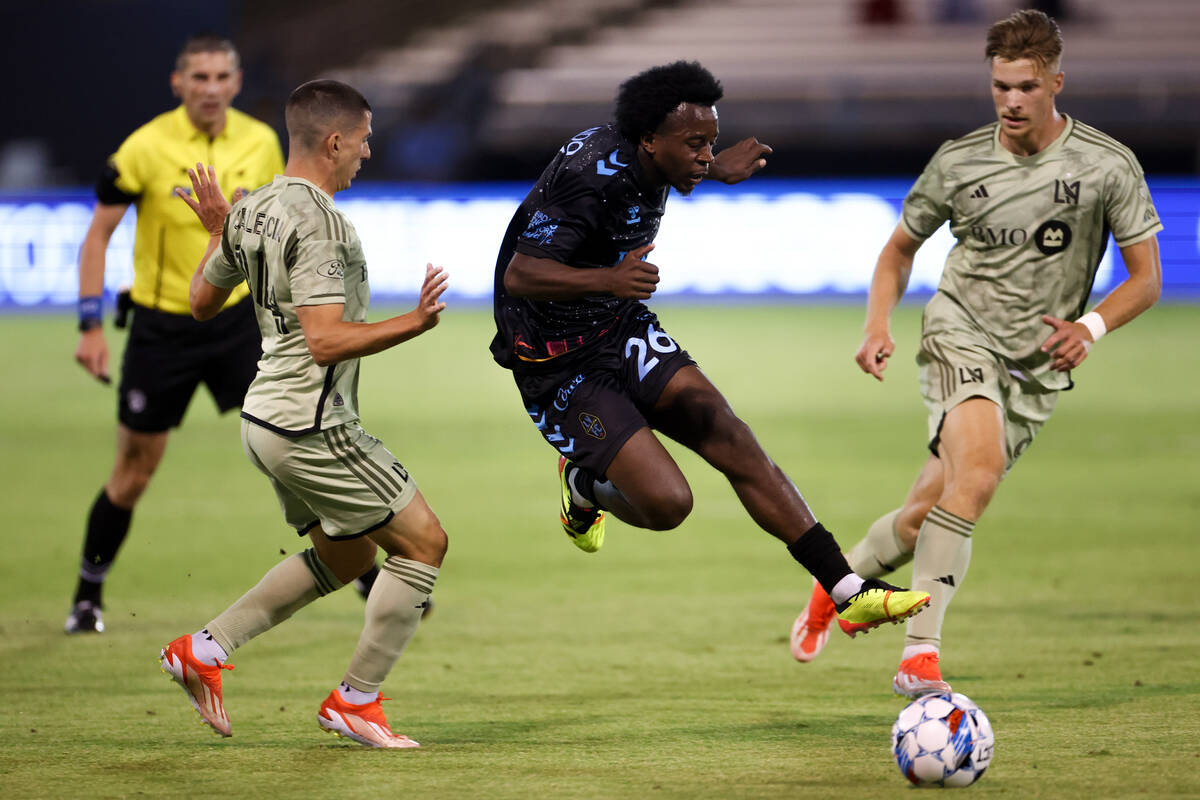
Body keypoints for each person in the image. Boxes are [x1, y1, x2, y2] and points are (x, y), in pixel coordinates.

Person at [789, 9, 1162, 698]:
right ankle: (920, 656)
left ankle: (835, 587)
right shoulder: (960, 161)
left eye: (1025, 86)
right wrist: (878, 325)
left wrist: (1091, 328)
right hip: (959, 331)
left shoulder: (1107, 165)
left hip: (1038, 367)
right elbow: (899, 250)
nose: (1011, 101)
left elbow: (1146, 280)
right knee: (981, 472)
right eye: (999, 87)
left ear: (1055, 81)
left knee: (924, 514)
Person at [490, 60, 930, 635]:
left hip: (617, 325)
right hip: (554, 356)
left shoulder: (654, 152)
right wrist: (608, 280)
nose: (703, 154)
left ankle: (847, 588)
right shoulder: (590, 175)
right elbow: (522, 274)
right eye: (695, 144)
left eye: (711, 143)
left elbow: (676, 168)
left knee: (728, 431)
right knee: (669, 504)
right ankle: (582, 485)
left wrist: (712, 169)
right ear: (649, 140)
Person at [159, 79, 449, 749]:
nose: (368, 154)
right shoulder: (319, 220)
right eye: (365, 140)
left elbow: (203, 302)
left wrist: (217, 230)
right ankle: (357, 701)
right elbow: (323, 341)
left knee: (346, 556)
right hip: (309, 422)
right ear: (335, 140)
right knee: (424, 543)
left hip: (264, 419)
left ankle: (206, 649)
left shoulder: (252, 206)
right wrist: (413, 322)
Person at [67, 35, 284, 633]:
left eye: (221, 77)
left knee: (292, 447)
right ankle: (87, 595)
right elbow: (97, 236)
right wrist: (90, 323)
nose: (210, 88)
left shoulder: (260, 141)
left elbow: (273, 232)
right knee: (135, 471)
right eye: (199, 77)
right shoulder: (146, 146)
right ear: (178, 83)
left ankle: (364, 574)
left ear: (236, 83)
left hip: (237, 322)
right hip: (163, 327)